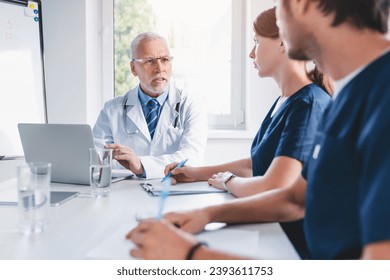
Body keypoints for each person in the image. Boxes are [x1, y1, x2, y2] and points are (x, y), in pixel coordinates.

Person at [127, 0, 390, 260]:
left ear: (302, 4)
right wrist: (205, 215)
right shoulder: (351, 95)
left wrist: (192, 256)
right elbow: (294, 199)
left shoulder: (379, 97)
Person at [170, 7, 332, 258]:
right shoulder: (285, 101)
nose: (251, 52)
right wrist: (195, 173)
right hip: (270, 229)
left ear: (282, 42)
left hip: (294, 245)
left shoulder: (308, 104)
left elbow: (275, 185)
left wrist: (227, 182)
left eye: (256, 41)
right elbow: (258, 164)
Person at [93, 32, 207, 179]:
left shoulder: (191, 104)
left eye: (165, 60)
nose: (160, 68)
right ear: (134, 68)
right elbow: (96, 159)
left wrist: (141, 165)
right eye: (150, 61)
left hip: (176, 193)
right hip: (128, 193)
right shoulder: (112, 110)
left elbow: (192, 157)